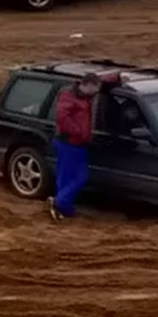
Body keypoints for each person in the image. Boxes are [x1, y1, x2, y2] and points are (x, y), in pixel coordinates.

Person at [50, 73, 106, 220]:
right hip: (69, 143)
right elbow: (61, 117)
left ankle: (64, 208)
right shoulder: (68, 96)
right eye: (96, 88)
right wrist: (78, 132)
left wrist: (118, 76)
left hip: (76, 144)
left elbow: (102, 78)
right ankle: (60, 202)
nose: (97, 92)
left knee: (65, 178)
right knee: (79, 177)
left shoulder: (85, 95)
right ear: (88, 85)